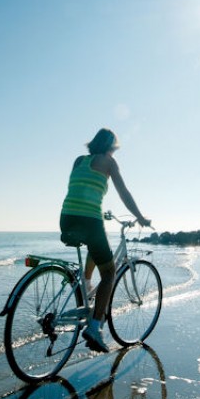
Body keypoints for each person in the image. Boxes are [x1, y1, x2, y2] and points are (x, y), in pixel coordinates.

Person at [59, 128, 151, 352]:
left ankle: (87, 283)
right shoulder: (109, 162)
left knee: (96, 247)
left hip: (67, 219)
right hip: (90, 221)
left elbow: (79, 189)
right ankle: (94, 327)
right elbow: (124, 193)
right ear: (111, 147)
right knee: (109, 273)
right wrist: (140, 217)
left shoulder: (79, 160)